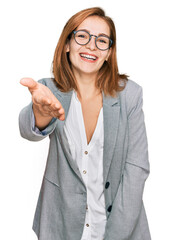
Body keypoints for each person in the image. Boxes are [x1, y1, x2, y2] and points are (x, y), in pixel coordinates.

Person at [19, 7, 151, 240]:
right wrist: (40, 113)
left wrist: (115, 236)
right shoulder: (48, 90)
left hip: (120, 227)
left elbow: (136, 168)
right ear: (67, 43)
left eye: (102, 41)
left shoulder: (129, 94)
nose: (91, 46)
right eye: (82, 36)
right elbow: (28, 129)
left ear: (109, 52)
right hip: (61, 226)